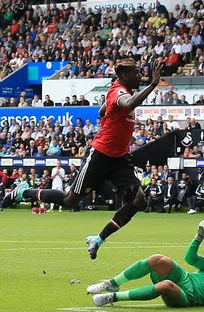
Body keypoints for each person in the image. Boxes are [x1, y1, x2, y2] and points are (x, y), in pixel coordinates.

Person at [3, 59, 165, 260]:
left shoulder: (121, 93)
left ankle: (98, 239)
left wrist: (109, 112)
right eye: (136, 73)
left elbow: (102, 111)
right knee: (70, 201)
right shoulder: (119, 92)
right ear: (124, 76)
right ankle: (23, 192)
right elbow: (129, 103)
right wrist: (153, 84)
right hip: (100, 157)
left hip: (120, 159)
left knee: (138, 200)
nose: (140, 76)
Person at [86, 219, 204, 308]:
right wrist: (199, 236)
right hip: (185, 277)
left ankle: (112, 297)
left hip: (186, 297)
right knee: (157, 259)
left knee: (166, 285)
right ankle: (112, 284)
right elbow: (190, 259)